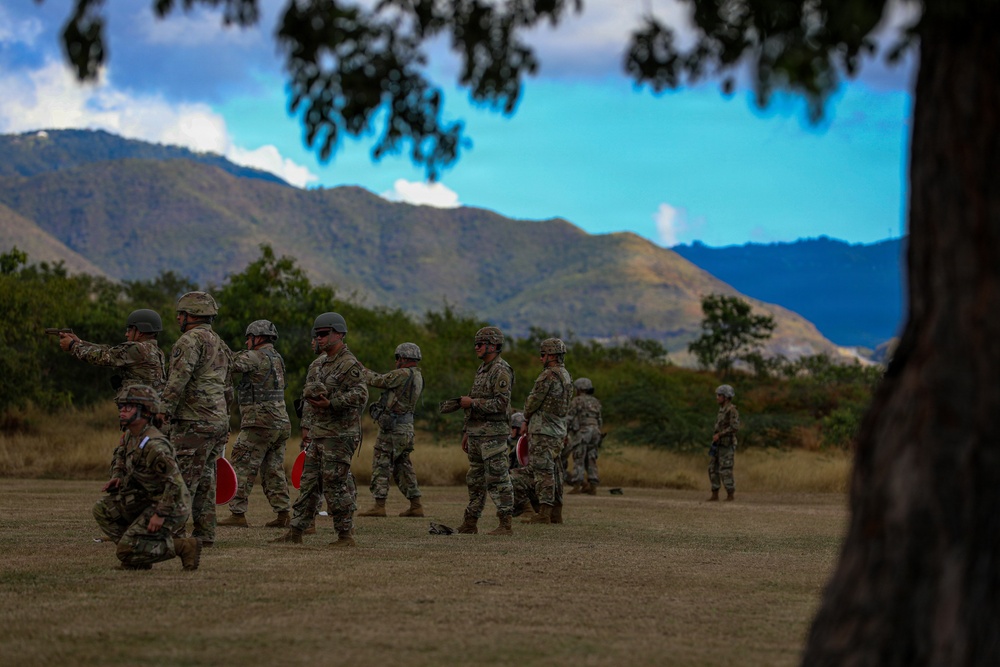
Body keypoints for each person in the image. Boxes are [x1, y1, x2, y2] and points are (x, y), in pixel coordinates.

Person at [272, 312, 368, 547]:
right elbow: (306, 399)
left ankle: (345, 535)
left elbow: (361, 395)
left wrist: (332, 402)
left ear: (339, 334)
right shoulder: (317, 364)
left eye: (324, 334)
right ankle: (296, 531)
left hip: (340, 435)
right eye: (317, 335)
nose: (320, 338)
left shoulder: (349, 364)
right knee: (308, 483)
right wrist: (305, 428)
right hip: (318, 433)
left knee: (334, 483)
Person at [93, 385, 201, 571]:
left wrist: (160, 514)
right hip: (146, 500)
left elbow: (175, 484)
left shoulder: (155, 445)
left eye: (129, 407)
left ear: (145, 411)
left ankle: (184, 546)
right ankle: (139, 555)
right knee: (103, 510)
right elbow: (120, 456)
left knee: (123, 552)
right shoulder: (130, 436)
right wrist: (117, 476)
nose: (122, 410)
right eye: (122, 406)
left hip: (170, 506)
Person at [159, 291, 233, 546]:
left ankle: (174, 535)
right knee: (205, 479)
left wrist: (162, 411)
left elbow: (177, 381)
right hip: (218, 420)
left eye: (180, 314)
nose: (178, 318)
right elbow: (228, 385)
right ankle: (204, 534)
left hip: (193, 421)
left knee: (182, 479)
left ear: (191, 315)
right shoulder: (220, 343)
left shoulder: (188, 341)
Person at [218, 320, 292, 528]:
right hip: (280, 423)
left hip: (259, 422)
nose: (246, 341)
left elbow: (231, 364)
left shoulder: (255, 356)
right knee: (273, 470)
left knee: (242, 463)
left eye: (249, 337)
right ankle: (283, 513)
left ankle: (237, 514)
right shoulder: (277, 358)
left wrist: (219, 347)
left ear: (258, 338)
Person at [455, 326, 516, 536]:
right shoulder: (482, 370)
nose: (476, 347)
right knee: (475, 479)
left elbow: (500, 404)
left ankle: (505, 523)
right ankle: (470, 522)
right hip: (476, 434)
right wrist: (467, 431)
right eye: (476, 343)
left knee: (498, 478)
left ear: (493, 345)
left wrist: (472, 402)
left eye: (480, 344)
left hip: (493, 434)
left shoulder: (501, 370)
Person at [358, 342, 425, 518]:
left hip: (393, 429)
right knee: (403, 465)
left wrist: (361, 370)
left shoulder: (402, 374)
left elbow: (379, 381)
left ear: (403, 358)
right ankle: (416, 505)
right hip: (406, 428)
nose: (396, 362)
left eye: (397, 358)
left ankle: (379, 505)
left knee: (381, 462)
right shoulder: (418, 376)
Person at [520, 338, 574, 525]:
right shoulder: (566, 375)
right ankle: (556, 513)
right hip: (559, 430)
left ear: (551, 355)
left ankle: (543, 513)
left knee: (543, 471)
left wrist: (525, 417)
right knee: (556, 472)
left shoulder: (547, 376)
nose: (540, 358)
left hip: (543, 430)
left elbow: (533, 401)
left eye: (543, 354)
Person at [58, 309, 167, 396]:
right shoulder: (155, 350)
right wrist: (81, 342)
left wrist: (73, 346)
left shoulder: (137, 348)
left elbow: (102, 357)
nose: (126, 334)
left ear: (140, 332)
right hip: (147, 411)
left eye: (129, 330)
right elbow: (110, 350)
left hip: (139, 414)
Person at [567, 377, 603, 495]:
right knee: (592, 458)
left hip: (583, 432)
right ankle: (593, 486)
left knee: (579, 457)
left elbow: (570, 417)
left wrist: (564, 431)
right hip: (596, 432)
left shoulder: (577, 401)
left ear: (580, 388)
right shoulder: (596, 402)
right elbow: (599, 420)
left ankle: (577, 485)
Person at [708, 384, 740, 501]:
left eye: (719, 395)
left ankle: (730, 495)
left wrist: (720, 434)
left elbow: (735, 427)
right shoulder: (721, 410)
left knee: (726, 469)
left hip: (727, 445)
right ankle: (714, 494)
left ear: (726, 397)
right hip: (718, 445)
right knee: (712, 468)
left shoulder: (732, 410)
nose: (717, 397)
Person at [507, 411, 539, 517]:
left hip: (532, 486)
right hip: (536, 488)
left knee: (508, 477)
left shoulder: (523, 444)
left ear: (517, 429)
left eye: (512, 428)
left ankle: (527, 509)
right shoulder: (531, 441)